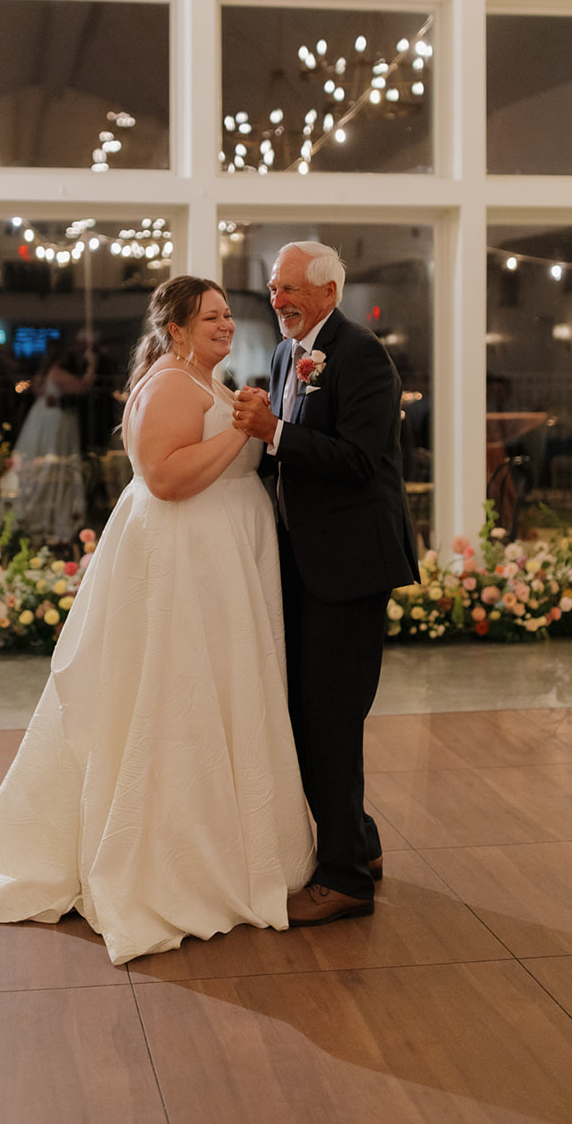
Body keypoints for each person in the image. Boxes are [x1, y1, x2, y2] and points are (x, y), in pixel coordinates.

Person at [0, 277, 313, 965]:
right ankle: (174, 864)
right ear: (175, 328)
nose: (226, 325)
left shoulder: (201, 378)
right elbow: (163, 478)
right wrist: (239, 429)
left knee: (221, 698)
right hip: (187, 567)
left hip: (218, 568)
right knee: (176, 702)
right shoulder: (172, 384)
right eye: (210, 317)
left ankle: (230, 842)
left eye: (229, 314)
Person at [233, 242, 419, 927]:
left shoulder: (362, 354)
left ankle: (344, 881)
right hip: (309, 562)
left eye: (290, 289)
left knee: (332, 721)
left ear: (328, 293)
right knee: (312, 716)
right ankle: (359, 844)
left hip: (352, 565)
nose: (278, 299)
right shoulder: (289, 354)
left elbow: (358, 459)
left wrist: (275, 432)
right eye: (274, 288)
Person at [0, 340, 95, 544]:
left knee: (51, 465)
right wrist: (92, 364)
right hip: (54, 423)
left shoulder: (47, 373)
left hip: (47, 419)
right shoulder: (57, 373)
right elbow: (82, 387)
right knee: (52, 464)